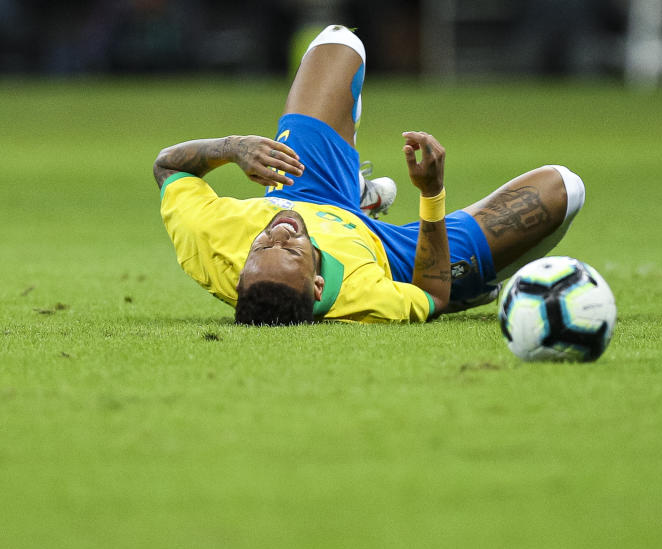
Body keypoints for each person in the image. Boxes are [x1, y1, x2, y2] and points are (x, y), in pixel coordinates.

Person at [154, 25, 586, 325]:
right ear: (318, 282)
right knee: (564, 187)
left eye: (260, 246)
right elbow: (431, 296)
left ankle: (356, 195)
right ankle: (473, 285)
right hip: (389, 257)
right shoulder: (366, 296)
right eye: (289, 252)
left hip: (303, 187)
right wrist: (431, 194)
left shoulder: (213, 244)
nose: (277, 234)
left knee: (338, 41)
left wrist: (232, 148)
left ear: (241, 268)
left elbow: (167, 165)